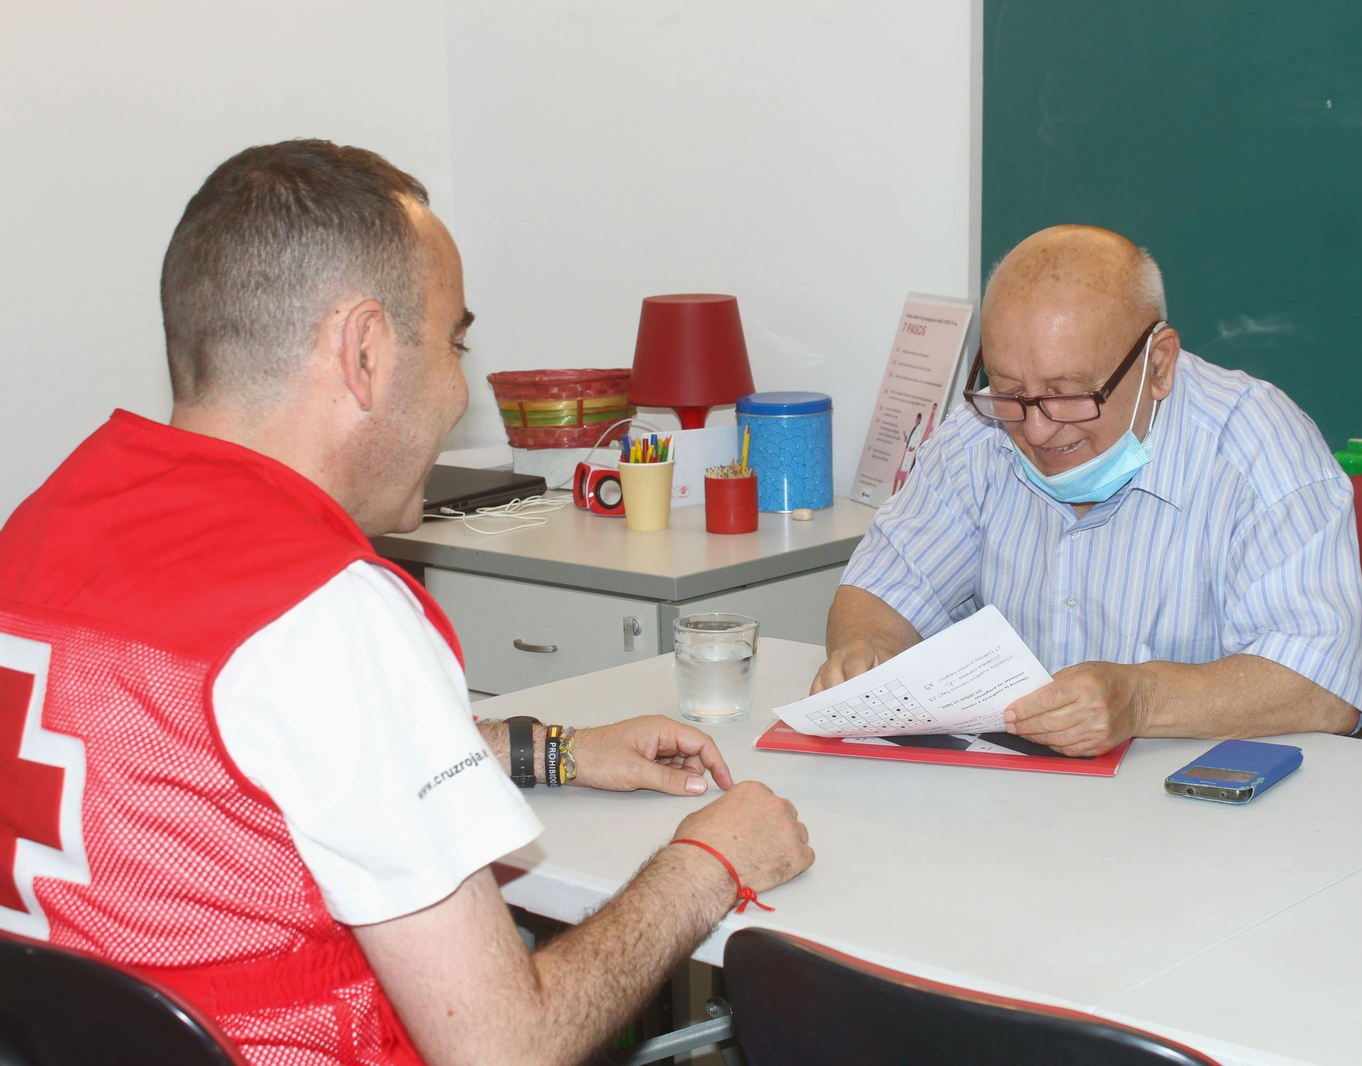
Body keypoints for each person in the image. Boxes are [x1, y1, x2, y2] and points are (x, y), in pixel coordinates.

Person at [0, 140, 812, 1066]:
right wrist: (709, 865)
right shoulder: (323, 610)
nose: (460, 384)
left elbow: (204, 776)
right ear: (366, 349)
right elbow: (508, 1048)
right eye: (456, 340)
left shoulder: (40, 528)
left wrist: (548, 750)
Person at [814, 225, 1362, 756]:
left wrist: (1144, 699)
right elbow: (884, 587)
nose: (1036, 430)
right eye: (1009, 393)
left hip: (1205, 813)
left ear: (1160, 365)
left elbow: (1320, 684)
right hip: (1015, 802)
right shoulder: (976, 435)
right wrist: (866, 651)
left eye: (1069, 395)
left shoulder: (1258, 448)